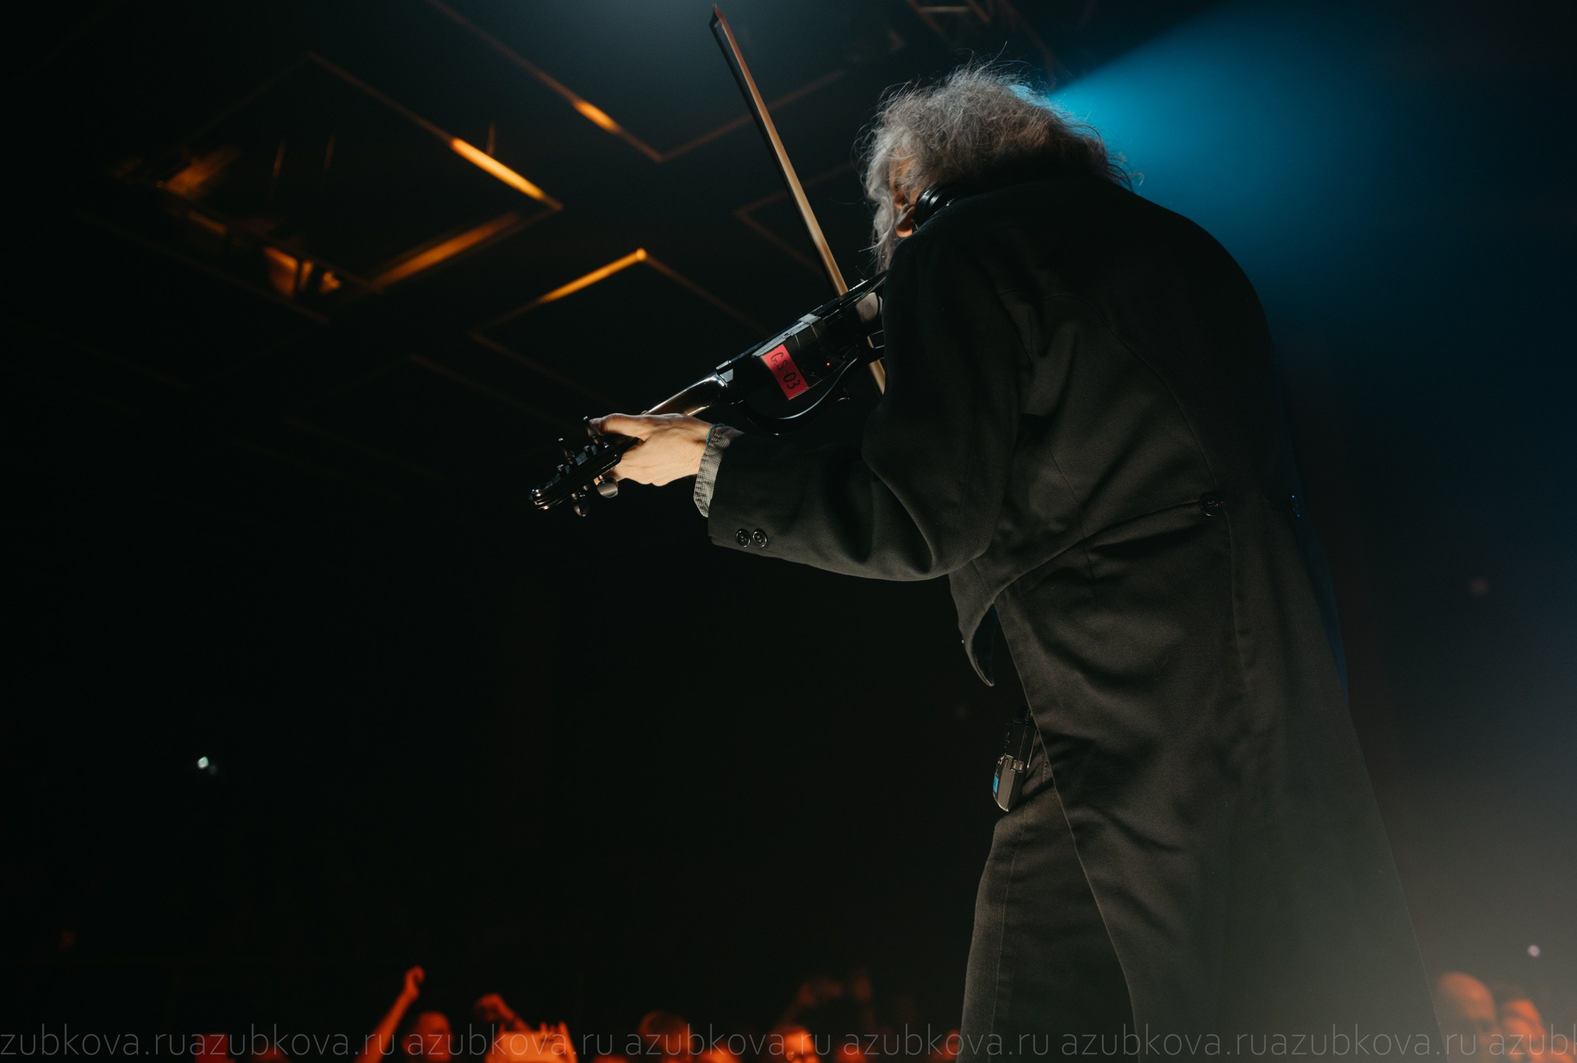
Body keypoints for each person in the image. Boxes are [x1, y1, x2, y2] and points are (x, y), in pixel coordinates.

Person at [597, 66, 1434, 1054]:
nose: (896, 242)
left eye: (897, 217)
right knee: (1273, 985)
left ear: (915, 185)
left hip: (1110, 690)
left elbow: (919, 515)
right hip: (1276, 676)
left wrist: (711, 460)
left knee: (1038, 1010)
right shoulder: (1189, 247)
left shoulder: (960, 246)